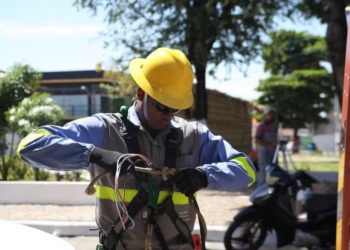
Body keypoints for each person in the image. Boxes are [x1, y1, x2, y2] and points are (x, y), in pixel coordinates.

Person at [17, 48, 256, 250]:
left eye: (175, 108)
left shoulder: (194, 136)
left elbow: (246, 170)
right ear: (141, 93)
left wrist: (204, 176)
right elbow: (30, 146)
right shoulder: (104, 129)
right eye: (162, 106)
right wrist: (94, 154)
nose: (168, 115)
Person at [255, 106, 278, 186]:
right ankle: (262, 186)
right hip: (264, 153)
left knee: (274, 169)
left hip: (273, 152)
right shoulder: (262, 127)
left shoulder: (275, 127)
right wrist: (270, 144)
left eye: (273, 114)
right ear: (265, 115)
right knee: (264, 170)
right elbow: (257, 141)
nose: (271, 115)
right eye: (270, 114)